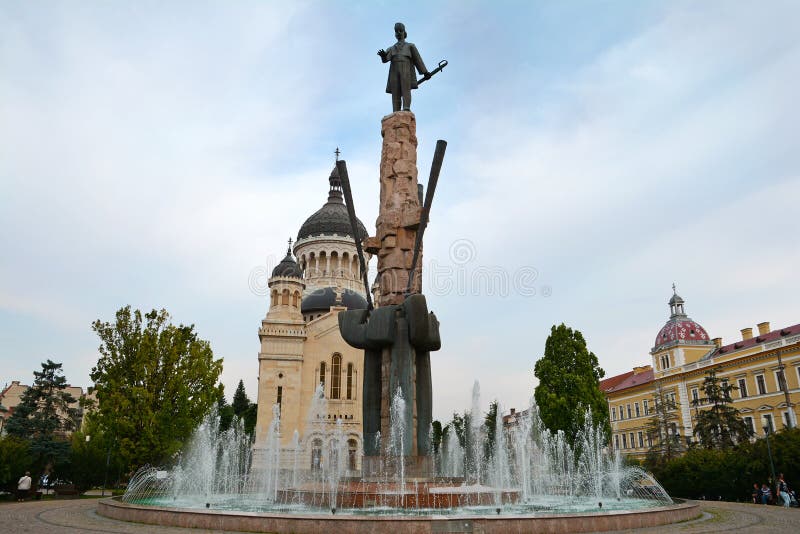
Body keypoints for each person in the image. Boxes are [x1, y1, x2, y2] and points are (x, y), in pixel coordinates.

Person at [378, 22, 430, 112]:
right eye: (396, 31)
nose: (398, 33)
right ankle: (396, 111)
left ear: (404, 32)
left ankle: (406, 107)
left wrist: (425, 72)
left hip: (406, 69)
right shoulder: (391, 48)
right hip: (394, 70)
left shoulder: (410, 46)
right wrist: (383, 56)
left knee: (406, 89)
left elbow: (417, 59)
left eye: (400, 31)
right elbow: (385, 60)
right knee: (395, 91)